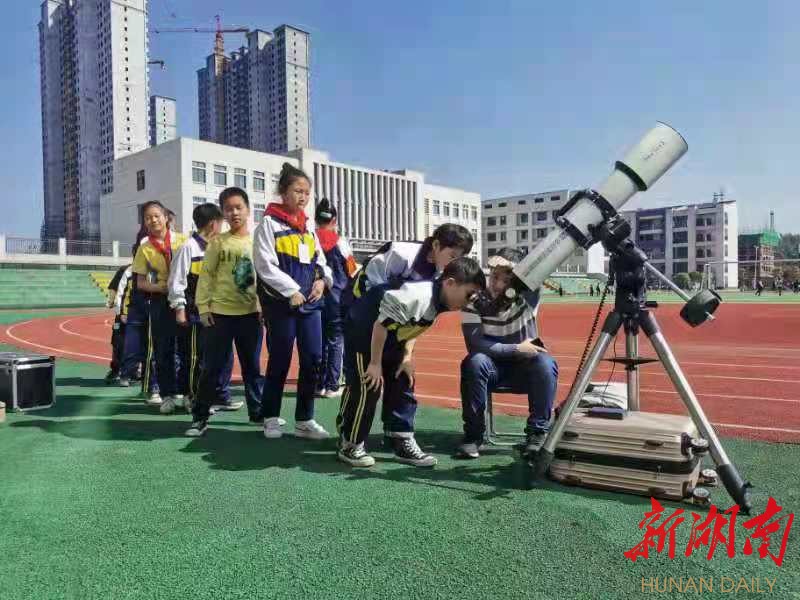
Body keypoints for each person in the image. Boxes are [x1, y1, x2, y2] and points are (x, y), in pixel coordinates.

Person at [336, 257, 486, 468]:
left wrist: (406, 357)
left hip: (393, 334)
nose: (469, 301)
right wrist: (375, 364)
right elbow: (380, 326)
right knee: (368, 386)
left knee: (403, 377)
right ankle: (350, 443)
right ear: (450, 283)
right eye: (468, 294)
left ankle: (399, 438)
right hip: (366, 332)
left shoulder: (440, 301)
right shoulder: (417, 296)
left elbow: (414, 326)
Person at [253, 163, 332, 440]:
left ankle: (304, 419)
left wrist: (322, 281)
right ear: (283, 192)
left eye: (307, 192)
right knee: (280, 360)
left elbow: (320, 260)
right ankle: (270, 417)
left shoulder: (308, 226)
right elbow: (264, 265)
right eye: (298, 191)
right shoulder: (268, 224)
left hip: (311, 305)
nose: (303, 197)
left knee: (313, 360)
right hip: (282, 306)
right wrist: (291, 291)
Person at [457, 248, 559, 459]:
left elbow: (537, 271)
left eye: (505, 280)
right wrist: (516, 348)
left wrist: (515, 269)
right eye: (494, 276)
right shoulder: (474, 302)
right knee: (474, 361)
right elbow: (476, 344)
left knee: (545, 362)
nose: (497, 284)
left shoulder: (526, 296)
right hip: (493, 369)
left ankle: (537, 434)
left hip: (526, 368)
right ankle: (474, 435)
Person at [186, 187, 264, 437]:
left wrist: (263, 306)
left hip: (250, 315)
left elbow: (265, 277)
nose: (234, 213)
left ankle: (258, 413)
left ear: (248, 210)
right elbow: (206, 276)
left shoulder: (258, 241)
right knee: (211, 368)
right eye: (228, 209)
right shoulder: (217, 242)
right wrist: (203, 308)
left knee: (252, 368)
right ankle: (200, 417)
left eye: (239, 207)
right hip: (220, 315)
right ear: (223, 213)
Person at [167, 202, 236, 415]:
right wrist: (180, 308)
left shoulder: (218, 247)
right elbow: (177, 281)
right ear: (213, 224)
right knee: (195, 357)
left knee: (220, 357)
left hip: (219, 313)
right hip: (195, 314)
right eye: (221, 223)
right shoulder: (189, 247)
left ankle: (217, 395)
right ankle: (192, 397)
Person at [120, 202, 186, 405]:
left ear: (166, 218)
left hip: (185, 300)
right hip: (160, 302)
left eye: (157, 215)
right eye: (148, 217)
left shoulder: (183, 240)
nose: (153, 220)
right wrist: (162, 288)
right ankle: (165, 393)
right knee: (162, 349)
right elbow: (140, 283)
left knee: (185, 348)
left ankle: (185, 392)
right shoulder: (145, 248)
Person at [314, 198, 358, 399]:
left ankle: (319, 384)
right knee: (336, 340)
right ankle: (332, 385)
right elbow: (352, 270)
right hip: (337, 298)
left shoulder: (310, 238)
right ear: (334, 219)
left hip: (315, 298)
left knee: (320, 341)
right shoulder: (340, 241)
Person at [105, 263, 132, 384]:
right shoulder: (125, 270)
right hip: (122, 313)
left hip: (135, 312)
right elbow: (113, 287)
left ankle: (126, 371)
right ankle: (116, 369)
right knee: (118, 341)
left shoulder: (144, 268)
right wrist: (111, 301)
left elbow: (113, 288)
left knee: (121, 341)